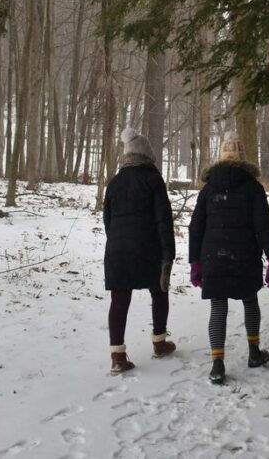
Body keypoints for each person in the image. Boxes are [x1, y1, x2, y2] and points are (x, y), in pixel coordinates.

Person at [189, 131, 269, 385]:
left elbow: (195, 227)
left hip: (213, 256)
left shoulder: (208, 190)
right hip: (245, 255)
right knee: (250, 300)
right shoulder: (253, 187)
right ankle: (254, 353)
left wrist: (195, 262)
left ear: (220, 158)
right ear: (243, 158)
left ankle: (217, 364)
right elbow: (264, 227)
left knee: (218, 306)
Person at [103, 128, 176, 375]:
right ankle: (159, 342)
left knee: (119, 301)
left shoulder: (114, 182)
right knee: (159, 291)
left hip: (117, 250)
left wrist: (116, 243)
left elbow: (107, 220)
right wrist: (168, 255)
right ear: (147, 154)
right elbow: (164, 220)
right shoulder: (153, 180)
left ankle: (117, 357)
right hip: (148, 248)